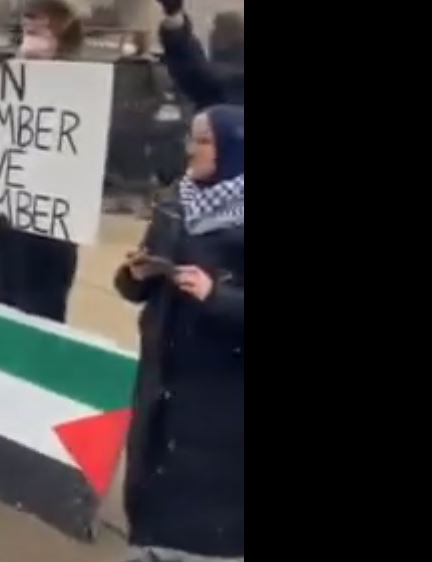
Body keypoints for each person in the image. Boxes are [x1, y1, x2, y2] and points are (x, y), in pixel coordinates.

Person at [114, 104, 244, 562]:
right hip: (161, 378)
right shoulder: (176, 201)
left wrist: (216, 297)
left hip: (221, 393)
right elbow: (135, 287)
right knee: (154, 485)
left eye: (204, 141)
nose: (192, 150)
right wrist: (136, 273)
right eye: (192, 138)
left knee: (207, 512)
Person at [0, 0, 86, 322]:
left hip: (48, 233)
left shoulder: (81, 88)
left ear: (61, 40)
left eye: (40, 32)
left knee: (40, 313)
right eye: (26, 31)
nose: (30, 40)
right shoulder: (1, 78)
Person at [156, 0, 244, 109]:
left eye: (216, 29)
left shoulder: (229, 80)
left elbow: (194, 69)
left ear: (226, 37)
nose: (212, 34)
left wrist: (173, 16)